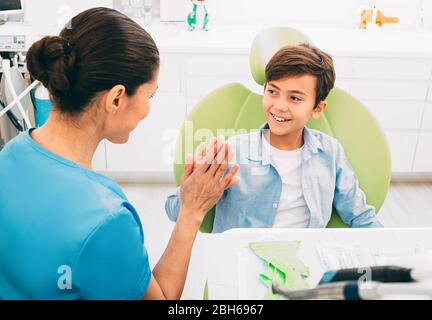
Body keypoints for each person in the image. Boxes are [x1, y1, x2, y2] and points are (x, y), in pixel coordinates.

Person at [0, 7, 239, 300]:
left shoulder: (10, 154)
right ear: (115, 98)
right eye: (149, 95)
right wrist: (192, 211)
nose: (148, 108)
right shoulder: (106, 220)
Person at [165, 43, 382, 232]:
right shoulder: (233, 152)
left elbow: (360, 215)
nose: (279, 105)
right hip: (240, 259)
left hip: (302, 262)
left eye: (295, 98)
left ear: (317, 108)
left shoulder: (330, 152)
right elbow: (174, 211)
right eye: (272, 92)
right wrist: (190, 189)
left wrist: (395, 253)